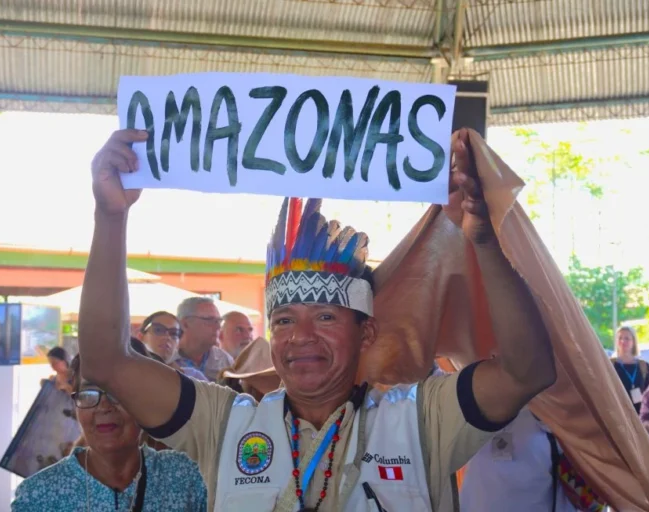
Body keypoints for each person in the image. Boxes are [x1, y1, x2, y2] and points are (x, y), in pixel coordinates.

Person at [77, 128, 556, 511]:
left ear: (365, 332)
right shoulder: (223, 423)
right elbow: (106, 361)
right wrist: (109, 216)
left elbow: (527, 371)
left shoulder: (422, 418)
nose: (300, 337)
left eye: (325, 316)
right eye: (283, 320)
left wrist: (485, 245)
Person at [12, 352, 208, 511]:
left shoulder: (187, 477)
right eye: (89, 393)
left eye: (118, 392)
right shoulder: (39, 496)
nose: (104, 406)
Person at [174, 297, 233, 381]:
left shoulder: (224, 360)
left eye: (218, 321)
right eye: (210, 320)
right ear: (185, 324)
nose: (218, 327)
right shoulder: (166, 359)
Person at [139, 311, 208, 381]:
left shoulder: (194, 377)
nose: (167, 337)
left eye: (174, 333)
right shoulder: (131, 375)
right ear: (141, 337)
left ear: (178, 344)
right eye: (158, 330)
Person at [610, 326, 649, 414]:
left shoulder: (644, 366)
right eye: (620, 338)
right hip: (618, 412)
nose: (623, 341)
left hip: (640, 414)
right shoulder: (610, 365)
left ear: (633, 342)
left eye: (627, 338)